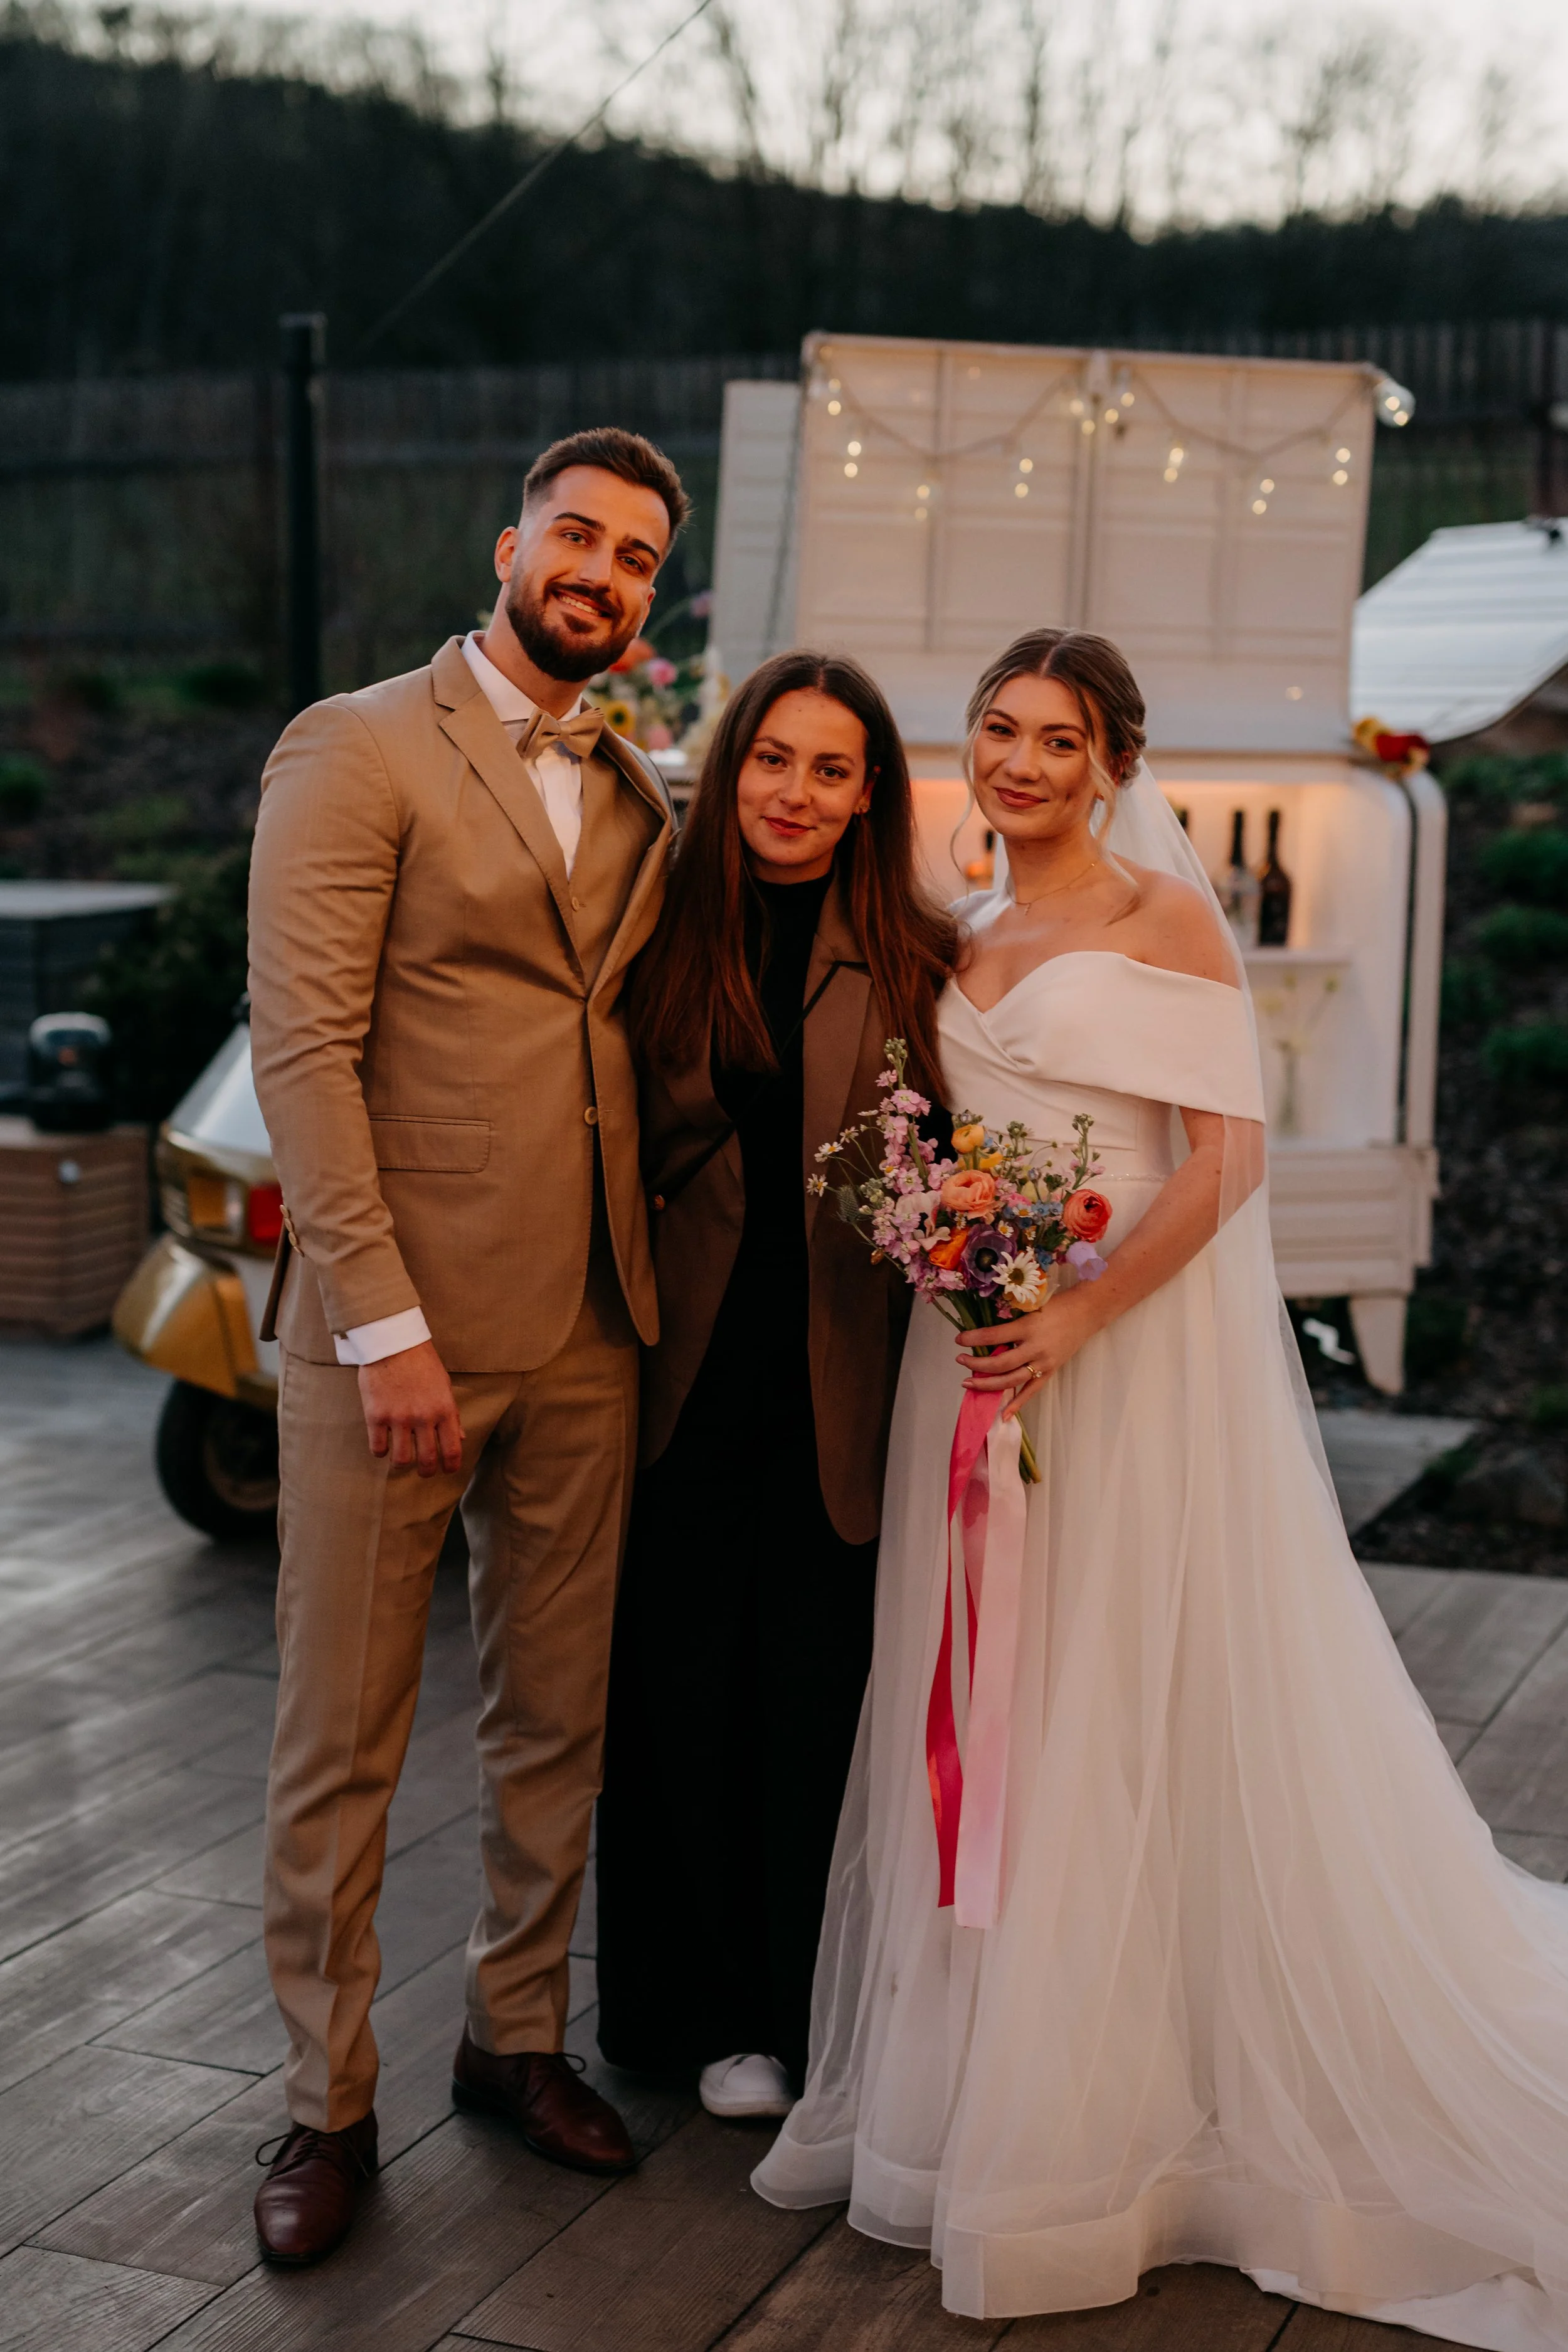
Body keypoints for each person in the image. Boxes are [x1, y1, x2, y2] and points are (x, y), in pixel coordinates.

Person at [755, 627, 1568, 2347]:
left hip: (1110, 1352)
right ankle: (984, 2064)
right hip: (968, 1360)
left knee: (1112, 1690)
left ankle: (1117, 2102)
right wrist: (961, 1270)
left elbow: (1224, 1163)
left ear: (1113, 761)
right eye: (995, 727)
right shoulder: (957, 926)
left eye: (1058, 735)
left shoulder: (1160, 916)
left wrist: (1073, 1314)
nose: (1020, 759)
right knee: (985, 1693)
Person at [245, 427, 688, 2267]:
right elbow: (304, 1057)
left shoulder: (642, 786)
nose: (599, 570)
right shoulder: (354, 745)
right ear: (509, 542)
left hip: (595, 1319)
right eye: (575, 535)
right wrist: (385, 1324)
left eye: (637, 556)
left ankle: (514, 2035)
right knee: (342, 1733)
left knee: (554, 1718)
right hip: (398, 1338)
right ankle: (323, 2096)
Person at [595, 650, 956, 2121]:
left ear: (867, 792)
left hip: (839, 1380)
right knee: (672, 1694)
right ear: (726, 762)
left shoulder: (918, 952)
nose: (791, 795)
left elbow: (942, 1168)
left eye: (827, 769)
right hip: (670, 1371)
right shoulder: (651, 924)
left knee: (809, 1700)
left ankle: (793, 2010)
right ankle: (682, 2010)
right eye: (769, 760)